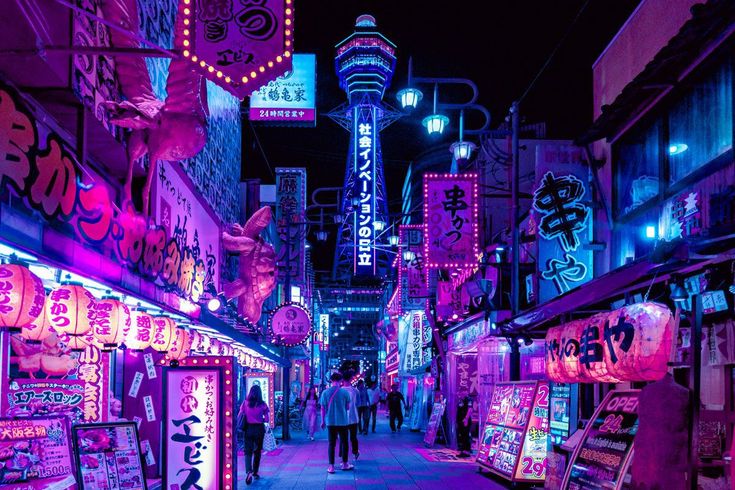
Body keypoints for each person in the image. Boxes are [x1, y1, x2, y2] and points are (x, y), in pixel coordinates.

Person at [320, 372, 353, 474]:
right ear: (340, 381)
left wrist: (322, 421)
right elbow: (347, 407)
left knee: (331, 444)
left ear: (331, 380)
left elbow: (322, 408)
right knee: (344, 443)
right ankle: (344, 464)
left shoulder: (325, 393)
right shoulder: (345, 393)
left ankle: (331, 467)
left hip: (330, 422)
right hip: (342, 421)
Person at [239, 384, 270, 485]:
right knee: (257, 451)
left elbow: (240, 415)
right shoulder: (262, 404)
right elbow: (267, 419)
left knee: (247, 451)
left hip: (248, 428)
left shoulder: (245, 403)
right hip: (259, 429)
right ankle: (255, 472)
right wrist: (261, 418)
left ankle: (249, 471)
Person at [341, 370, 361, 461]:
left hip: (342, 418)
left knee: (343, 437)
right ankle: (355, 452)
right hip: (353, 417)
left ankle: (342, 453)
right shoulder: (355, 391)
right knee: (353, 437)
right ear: (350, 379)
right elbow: (358, 403)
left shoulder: (339, 391)